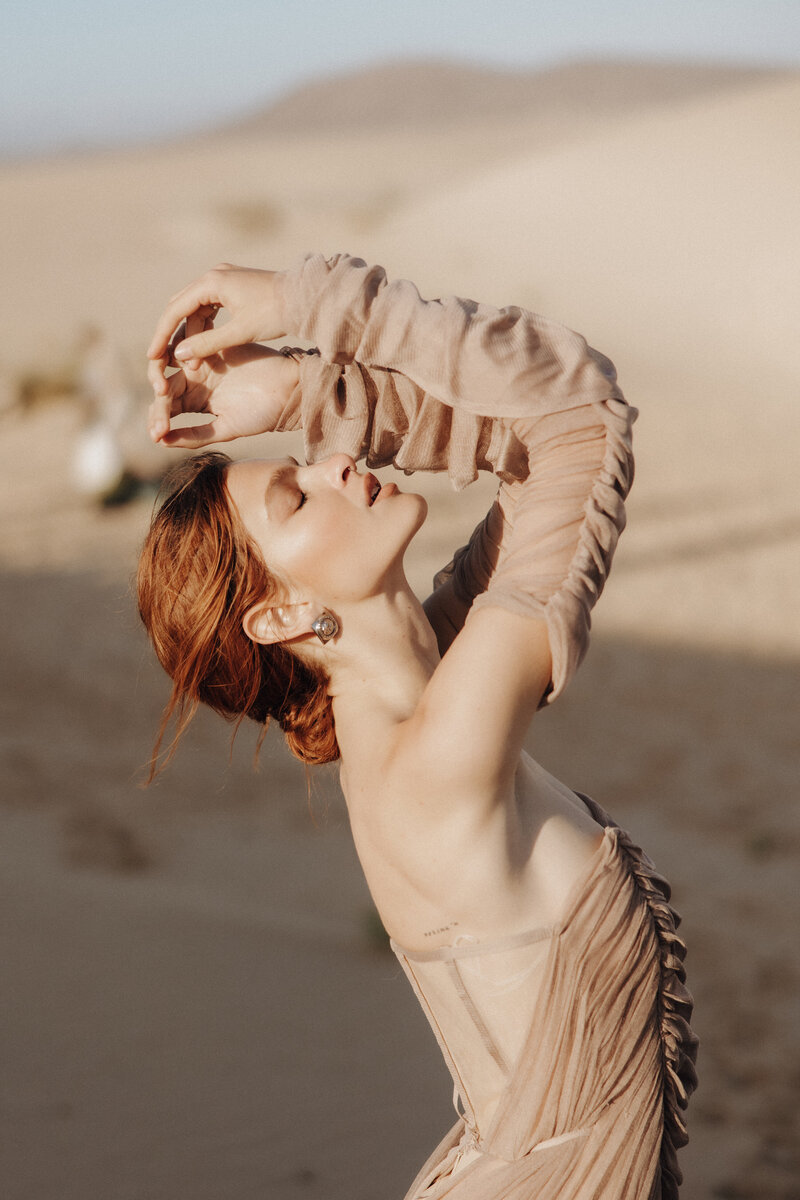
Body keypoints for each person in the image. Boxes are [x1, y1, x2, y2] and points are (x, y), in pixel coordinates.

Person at [141, 254, 697, 1199]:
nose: (333, 465)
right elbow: (577, 417)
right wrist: (311, 306)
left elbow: (529, 454)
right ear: (277, 618)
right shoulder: (435, 758)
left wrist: (299, 389)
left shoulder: (425, 690)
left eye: (305, 458)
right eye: (296, 494)